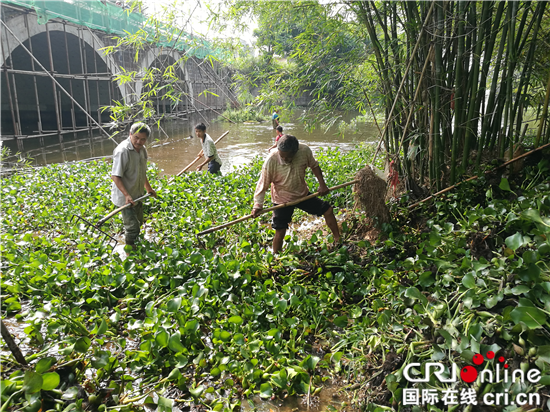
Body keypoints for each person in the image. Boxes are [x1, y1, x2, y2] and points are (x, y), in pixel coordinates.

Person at [252, 134, 340, 253]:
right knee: (280, 230)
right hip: (282, 200)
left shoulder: (304, 151)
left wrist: (322, 185)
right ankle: (276, 257)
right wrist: (258, 205)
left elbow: (314, 166)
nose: (285, 159)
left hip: (302, 195)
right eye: (282, 156)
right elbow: (263, 184)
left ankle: (338, 240)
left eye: (288, 157)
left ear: (295, 152)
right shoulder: (271, 160)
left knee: (328, 210)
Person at [111, 122, 157, 247]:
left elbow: (142, 172)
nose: (138, 142)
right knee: (132, 228)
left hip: (138, 194)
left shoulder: (142, 150)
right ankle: (130, 254)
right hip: (125, 198)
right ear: (130, 134)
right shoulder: (122, 151)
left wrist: (148, 188)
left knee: (139, 222)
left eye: (142, 139)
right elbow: (115, 176)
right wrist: (126, 195)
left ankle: (135, 247)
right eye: (136, 137)